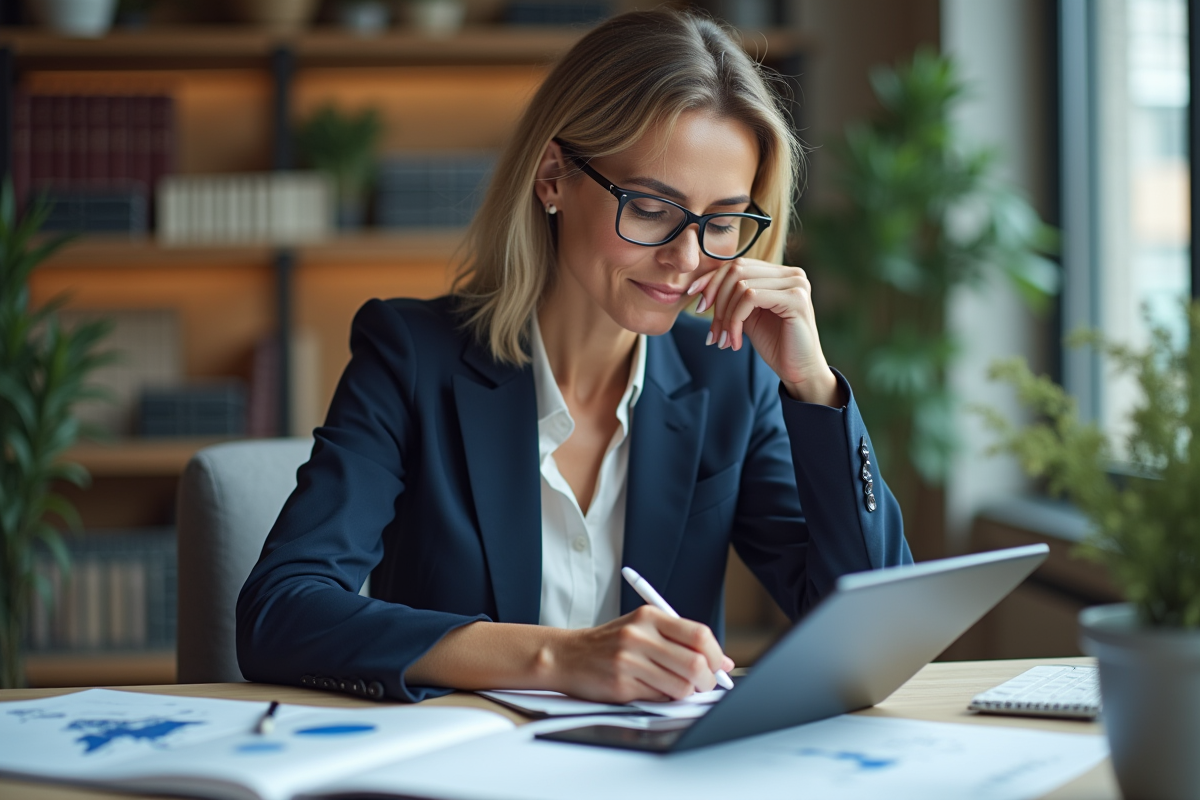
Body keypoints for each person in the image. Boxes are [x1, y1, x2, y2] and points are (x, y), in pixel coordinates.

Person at [236, 9, 913, 705]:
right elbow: (280, 613)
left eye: (721, 222)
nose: (686, 259)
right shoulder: (410, 357)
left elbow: (874, 632)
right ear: (553, 176)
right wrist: (559, 658)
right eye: (652, 207)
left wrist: (814, 389)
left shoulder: (731, 378)